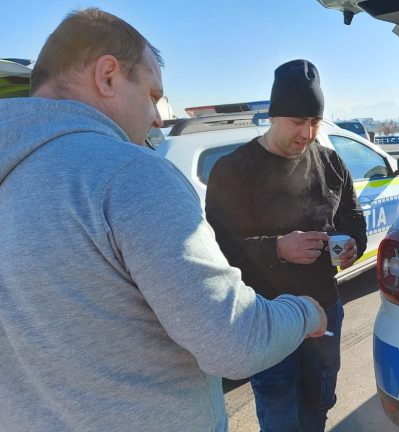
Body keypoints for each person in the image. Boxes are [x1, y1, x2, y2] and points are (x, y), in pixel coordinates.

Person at [0, 9, 327, 432]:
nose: (158, 118)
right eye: (153, 94)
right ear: (107, 76)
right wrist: (304, 311)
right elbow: (232, 341)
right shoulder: (129, 174)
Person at [205, 59, 367, 431]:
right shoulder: (234, 170)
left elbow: (352, 216)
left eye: (315, 122)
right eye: (297, 121)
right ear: (274, 116)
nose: (307, 133)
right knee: (279, 411)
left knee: (320, 399)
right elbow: (217, 249)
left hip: (324, 309)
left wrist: (353, 244)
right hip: (267, 315)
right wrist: (278, 248)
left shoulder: (330, 162)